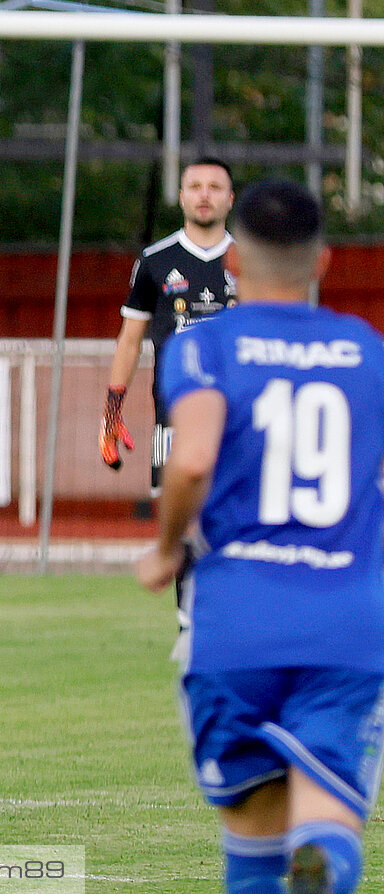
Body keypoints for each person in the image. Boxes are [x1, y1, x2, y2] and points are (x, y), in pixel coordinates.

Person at [136, 178, 384, 894]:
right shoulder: (366, 352)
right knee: (328, 818)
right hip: (345, 618)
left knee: (249, 849)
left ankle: (278, 867)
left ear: (235, 259)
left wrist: (165, 548)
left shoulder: (208, 347)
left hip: (239, 620)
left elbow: (191, 460)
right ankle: (324, 860)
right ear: (324, 262)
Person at [102, 157, 238, 493]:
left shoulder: (249, 259)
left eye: (215, 187)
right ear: (181, 196)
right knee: (175, 523)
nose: (204, 195)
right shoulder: (155, 260)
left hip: (238, 417)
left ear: (230, 198)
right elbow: (129, 340)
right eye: (195, 187)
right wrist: (111, 413)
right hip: (174, 417)